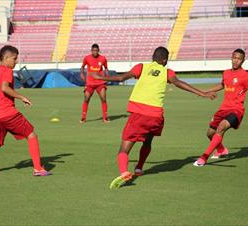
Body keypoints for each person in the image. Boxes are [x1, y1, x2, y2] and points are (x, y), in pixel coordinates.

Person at [92, 46, 216, 189]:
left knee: (123, 150)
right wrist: (202, 93)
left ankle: (124, 172)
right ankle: (139, 167)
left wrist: (100, 77)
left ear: (153, 57)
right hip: (156, 117)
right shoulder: (167, 72)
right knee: (147, 141)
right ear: (164, 60)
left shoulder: (141, 67)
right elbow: (178, 83)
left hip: (139, 114)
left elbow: (121, 78)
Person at [0, 45, 51, 176]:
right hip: (8, 114)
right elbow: (4, 88)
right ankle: (38, 169)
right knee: (31, 135)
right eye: (15, 58)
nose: (16, 61)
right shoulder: (7, 70)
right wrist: (21, 97)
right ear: (6, 58)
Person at [193, 48, 248, 166]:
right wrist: (205, 91)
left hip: (236, 110)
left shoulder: (246, 76)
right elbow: (222, 85)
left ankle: (203, 158)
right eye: (234, 58)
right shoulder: (226, 72)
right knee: (210, 134)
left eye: (239, 59)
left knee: (221, 128)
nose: (236, 61)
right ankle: (222, 150)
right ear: (231, 58)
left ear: (243, 61)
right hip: (223, 108)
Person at [80, 43, 110, 123]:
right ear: (91, 51)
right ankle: (83, 117)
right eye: (93, 50)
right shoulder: (87, 58)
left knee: (103, 99)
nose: (95, 52)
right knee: (86, 99)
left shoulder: (103, 58)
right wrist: (82, 74)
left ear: (98, 51)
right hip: (90, 83)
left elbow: (106, 68)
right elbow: (82, 67)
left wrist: (107, 76)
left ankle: (105, 117)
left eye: (96, 50)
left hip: (100, 82)